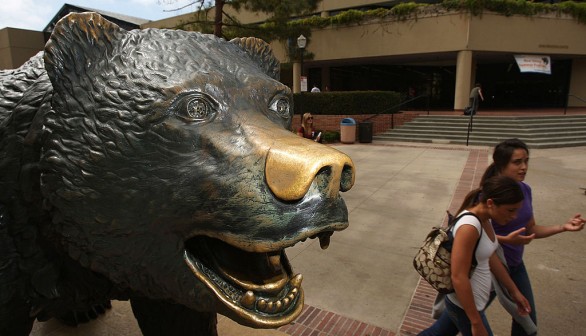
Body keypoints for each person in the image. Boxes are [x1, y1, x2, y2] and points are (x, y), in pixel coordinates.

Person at [479, 138, 585, 335]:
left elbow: (530, 229)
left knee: (527, 324)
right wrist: (506, 240)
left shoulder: (525, 190)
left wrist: (563, 227)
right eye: (517, 162)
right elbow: (475, 236)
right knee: (461, 317)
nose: (524, 167)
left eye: (526, 161)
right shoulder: (486, 196)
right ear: (501, 165)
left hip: (515, 265)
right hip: (489, 269)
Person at [419, 175, 531, 336]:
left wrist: (514, 291)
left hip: (471, 304)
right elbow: (458, 277)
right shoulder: (469, 227)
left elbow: (490, 257)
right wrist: (476, 321)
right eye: (510, 210)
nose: (513, 216)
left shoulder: (486, 218)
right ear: (491, 203)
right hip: (465, 306)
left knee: (436, 334)